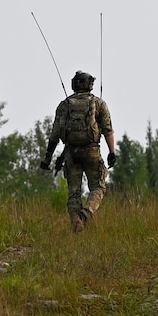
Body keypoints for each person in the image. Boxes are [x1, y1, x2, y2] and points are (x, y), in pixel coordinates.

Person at [40, 71, 115, 232]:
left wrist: (47, 159)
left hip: (71, 153)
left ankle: (76, 224)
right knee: (98, 187)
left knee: (74, 193)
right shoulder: (99, 104)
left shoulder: (64, 105)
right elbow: (108, 130)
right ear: (89, 85)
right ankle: (87, 212)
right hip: (92, 151)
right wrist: (112, 152)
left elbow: (54, 135)